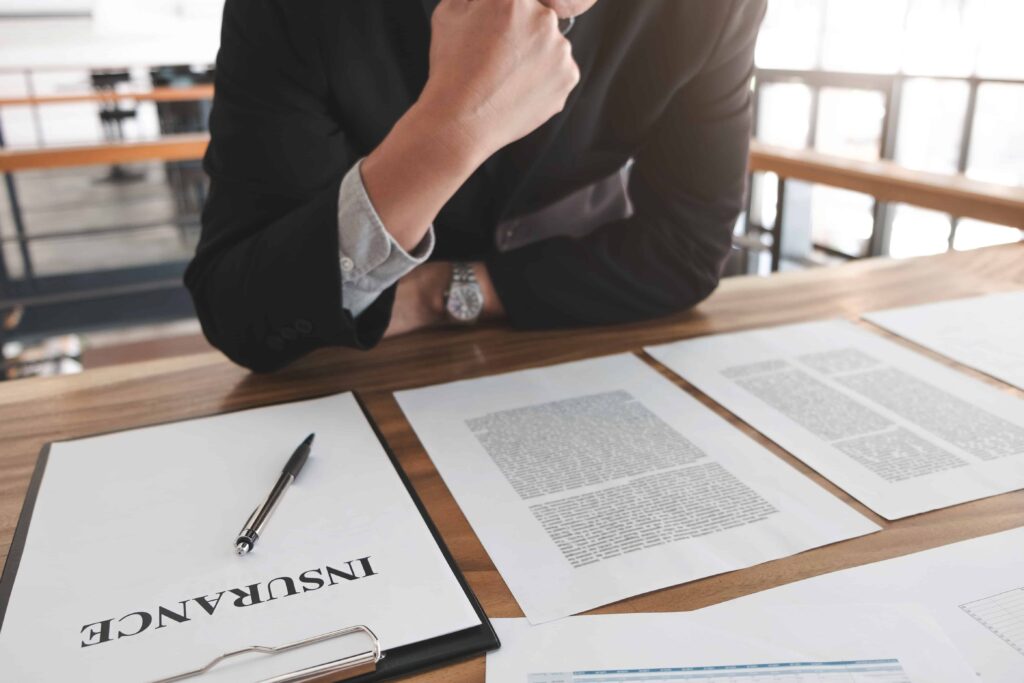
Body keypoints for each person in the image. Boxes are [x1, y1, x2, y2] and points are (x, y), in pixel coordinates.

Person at [185, 0, 767, 372]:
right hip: (352, 387)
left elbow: (687, 253)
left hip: (573, 355)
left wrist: (433, 295)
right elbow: (241, 309)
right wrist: (452, 127)